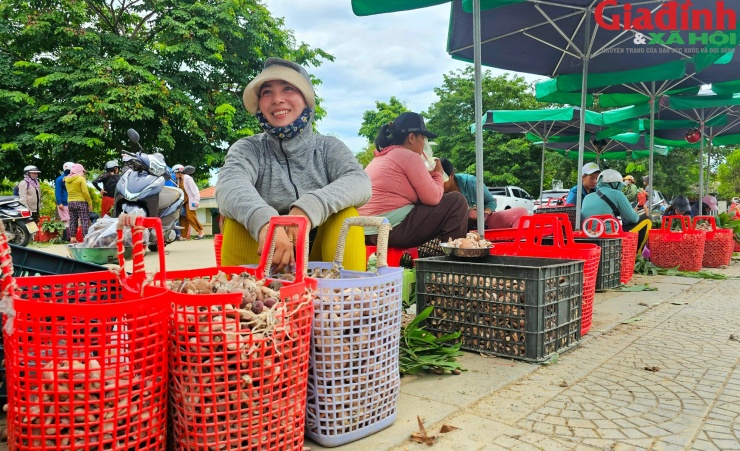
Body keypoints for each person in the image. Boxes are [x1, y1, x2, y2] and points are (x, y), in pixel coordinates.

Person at [215, 58, 371, 272]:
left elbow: (359, 181)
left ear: (306, 98)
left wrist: (306, 210)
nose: (277, 99)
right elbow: (229, 185)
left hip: (320, 263)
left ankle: (348, 296)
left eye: (288, 88)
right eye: (267, 92)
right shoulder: (248, 149)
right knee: (234, 217)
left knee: (347, 214)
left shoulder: (328, 148)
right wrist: (267, 223)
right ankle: (239, 297)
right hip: (265, 256)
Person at [359, 112, 467, 249]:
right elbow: (433, 198)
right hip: (388, 229)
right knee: (456, 202)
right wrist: (438, 174)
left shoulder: (384, 156)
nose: (424, 145)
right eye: (423, 138)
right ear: (411, 137)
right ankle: (452, 264)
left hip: (365, 230)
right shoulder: (409, 156)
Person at [440, 158, 527, 230]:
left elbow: (491, 202)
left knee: (521, 212)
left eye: (441, 179)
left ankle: (518, 246)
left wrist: (483, 214)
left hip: (482, 224)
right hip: (456, 229)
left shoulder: (471, 182)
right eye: (433, 179)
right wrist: (468, 214)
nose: (437, 183)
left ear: (451, 175)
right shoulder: (434, 191)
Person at [581, 169, 652, 253]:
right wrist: (632, 211)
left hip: (589, 235)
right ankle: (637, 254)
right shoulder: (617, 194)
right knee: (647, 220)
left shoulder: (587, 197)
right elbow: (633, 219)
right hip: (610, 235)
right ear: (614, 183)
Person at [173, 164, 204, 240]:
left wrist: (196, 200)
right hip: (184, 202)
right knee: (183, 218)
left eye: (175, 173)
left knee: (190, 217)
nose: (174, 174)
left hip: (191, 200)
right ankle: (183, 236)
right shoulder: (179, 180)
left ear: (179, 172)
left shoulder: (187, 178)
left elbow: (195, 190)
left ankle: (200, 232)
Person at [64, 164, 92, 243]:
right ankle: (86, 238)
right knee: (84, 220)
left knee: (73, 220)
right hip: (81, 202)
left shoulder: (66, 179)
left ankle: (72, 238)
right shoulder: (81, 179)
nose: (83, 173)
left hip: (70, 202)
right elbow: (85, 192)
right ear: (80, 171)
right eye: (83, 171)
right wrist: (89, 202)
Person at [55, 162, 74, 240]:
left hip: (69, 201)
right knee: (66, 220)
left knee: (69, 220)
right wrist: (59, 203)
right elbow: (58, 191)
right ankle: (66, 238)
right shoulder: (60, 179)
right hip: (64, 202)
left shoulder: (72, 178)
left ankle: (68, 237)